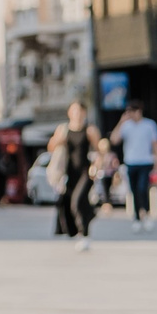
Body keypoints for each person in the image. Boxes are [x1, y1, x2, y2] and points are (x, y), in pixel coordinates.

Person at [52, 102, 97, 249]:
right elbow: (51, 147)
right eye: (74, 111)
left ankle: (84, 234)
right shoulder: (63, 130)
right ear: (69, 113)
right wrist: (59, 139)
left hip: (85, 172)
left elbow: (99, 150)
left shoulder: (89, 130)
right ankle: (84, 224)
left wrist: (96, 166)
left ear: (84, 113)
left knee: (77, 201)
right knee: (73, 204)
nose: (77, 114)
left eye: (79, 111)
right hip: (69, 172)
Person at [115, 101, 157, 232]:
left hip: (145, 161)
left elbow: (155, 144)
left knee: (142, 188)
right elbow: (114, 139)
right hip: (131, 162)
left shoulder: (149, 125)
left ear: (139, 111)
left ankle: (145, 213)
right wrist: (121, 122)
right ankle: (136, 217)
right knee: (134, 191)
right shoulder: (126, 126)